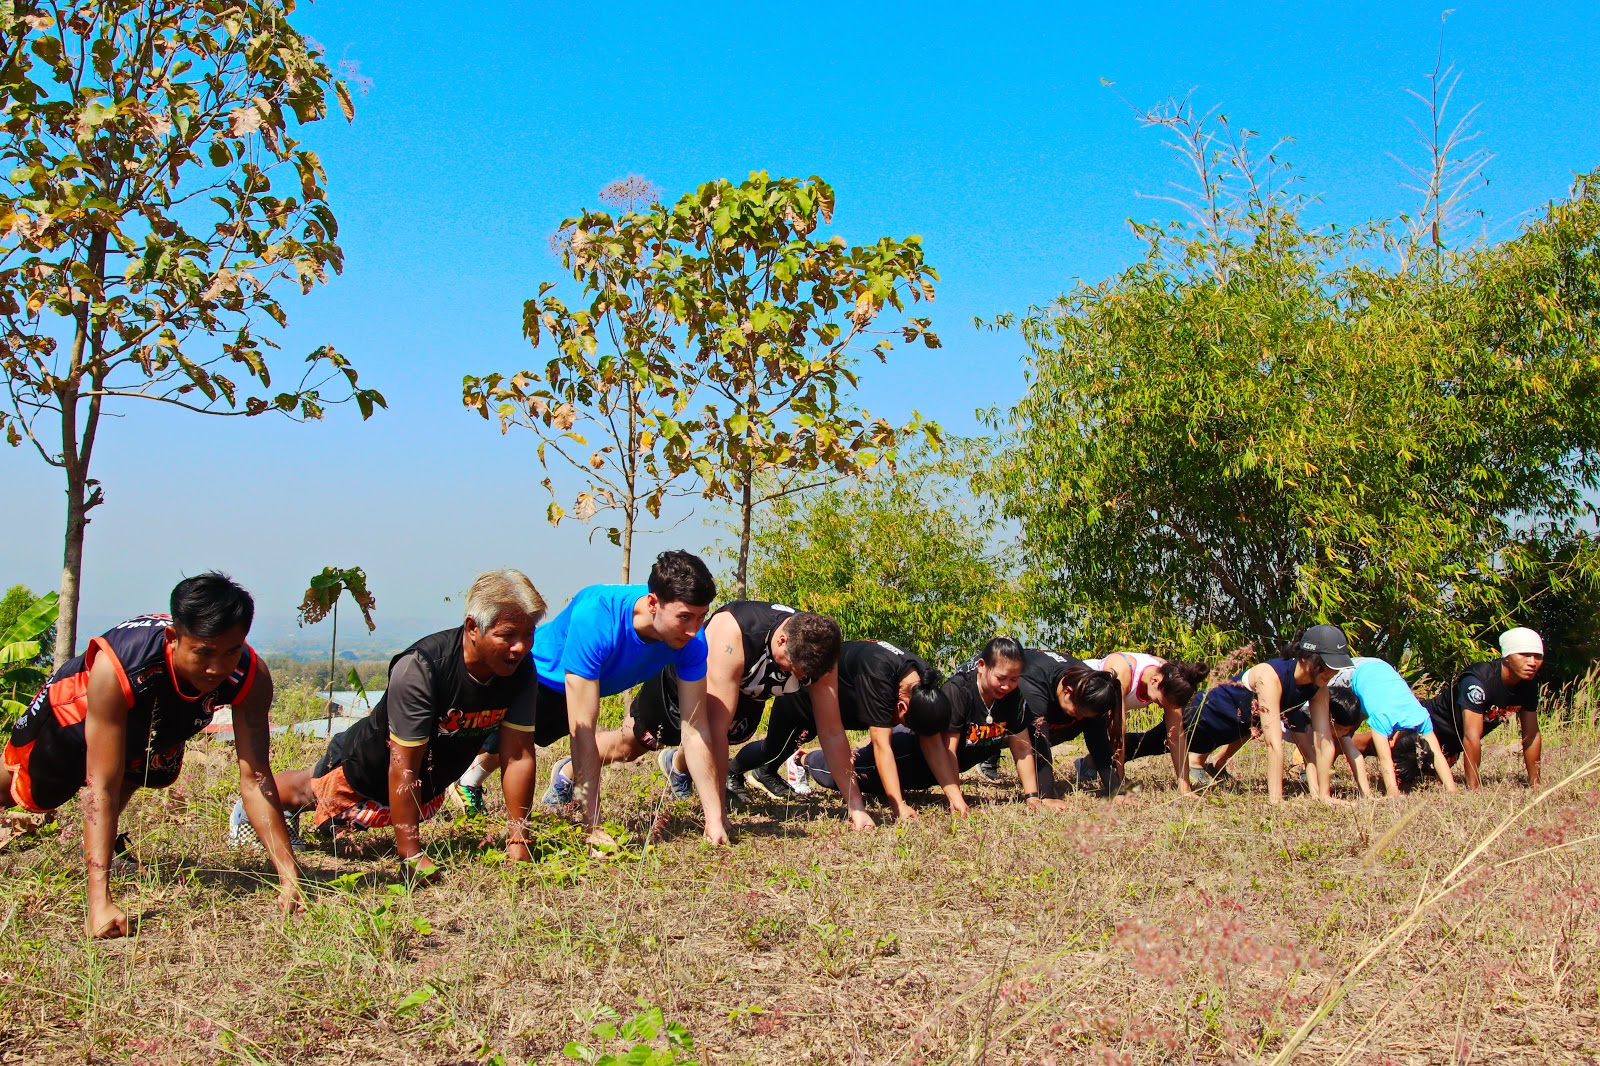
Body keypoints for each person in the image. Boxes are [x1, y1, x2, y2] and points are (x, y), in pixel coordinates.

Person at [1, 573, 301, 939]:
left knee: (143, 768)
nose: (217, 668)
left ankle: (99, 848)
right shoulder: (122, 666)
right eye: (203, 652)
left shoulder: (249, 674)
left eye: (230, 651)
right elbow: (100, 787)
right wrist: (100, 905)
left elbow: (255, 777)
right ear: (174, 639)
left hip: (150, 711)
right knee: (27, 790)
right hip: (74, 712)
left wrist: (290, 878)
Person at [267, 570, 545, 880]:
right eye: (507, 634)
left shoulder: (519, 668)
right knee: (311, 792)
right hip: (366, 768)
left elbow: (518, 755)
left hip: (427, 786)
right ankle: (253, 808)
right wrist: (410, 855)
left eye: (528, 633)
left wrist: (519, 837)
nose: (521, 646)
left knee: (363, 824)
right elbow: (403, 766)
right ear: (472, 628)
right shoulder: (421, 667)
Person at [455, 552, 714, 844]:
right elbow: (584, 732)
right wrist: (594, 827)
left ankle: (468, 780)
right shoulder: (597, 616)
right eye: (685, 618)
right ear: (654, 604)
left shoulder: (690, 636)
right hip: (538, 673)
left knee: (525, 738)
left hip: (579, 684)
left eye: (701, 616)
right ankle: (460, 783)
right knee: (509, 742)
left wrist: (715, 820)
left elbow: (695, 729)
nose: (694, 628)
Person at [612, 601, 869, 839]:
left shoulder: (820, 652)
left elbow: (832, 732)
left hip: (743, 692)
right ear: (781, 641)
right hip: (680, 686)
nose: (800, 680)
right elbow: (714, 730)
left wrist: (855, 805)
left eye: (805, 678)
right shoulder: (734, 632)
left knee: (734, 733)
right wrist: (717, 815)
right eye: (792, 670)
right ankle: (572, 770)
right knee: (632, 746)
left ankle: (676, 764)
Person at [805, 637, 1068, 814]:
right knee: (851, 773)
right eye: (1002, 677)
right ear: (981, 666)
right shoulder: (960, 692)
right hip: (909, 751)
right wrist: (948, 799)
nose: (1007, 685)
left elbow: (1021, 747)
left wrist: (1032, 795)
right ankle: (804, 760)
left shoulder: (1013, 697)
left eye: (1014, 679)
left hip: (933, 769)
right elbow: (946, 750)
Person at [728, 639, 951, 821]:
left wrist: (955, 798)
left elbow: (931, 741)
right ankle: (733, 771)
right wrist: (899, 806)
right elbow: (882, 745)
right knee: (773, 748)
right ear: (902, 707)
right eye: (904, 722)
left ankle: (765, 773)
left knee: (787, 747)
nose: (897, 724)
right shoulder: (880, 675)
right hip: (802, 699)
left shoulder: (922, 679)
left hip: (832, 703)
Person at [1124, 626, 1351, 803]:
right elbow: (1273, 744)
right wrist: (1276, 801)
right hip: (1200, 717)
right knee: (1145, 745)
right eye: (1326, 665)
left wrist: (1325, 796)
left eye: (1336, 667)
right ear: (1305, 658)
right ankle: (1096, 759)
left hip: (1231, 730)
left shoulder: (1318, 688)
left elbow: (1324, 742)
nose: (1331, 673)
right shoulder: (1270, 676)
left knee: (1148, 745)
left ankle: (1208, 764)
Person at [1419, 627, 1545, 790]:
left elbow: (1531, 735)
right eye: (1524, 655)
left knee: (1418, 775)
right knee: (1385, 746)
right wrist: (1474, 789)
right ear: (1506, 657)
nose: (1532, 662)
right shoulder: (1478, 681)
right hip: (1421, 727)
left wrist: (1535, 784)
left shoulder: (1527, 685)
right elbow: (1472, 736)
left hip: (1449, 746)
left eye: (1538, 656)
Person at [1320, 658, 1457, 797]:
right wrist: (1393, 794)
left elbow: (1437, 754)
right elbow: (1385, 759)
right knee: (1330, 726)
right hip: (1354, 671)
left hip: (1380, 672)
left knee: (1344, 732)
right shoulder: (1383, 718)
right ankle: (1309, 769)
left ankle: (1327, 769)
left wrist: (1452, 791)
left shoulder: (1420, 716)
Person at [1076, 652, 1209, 794]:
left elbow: (1176, 736)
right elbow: (1117, 731)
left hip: (1098, 708)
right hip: (1078, 694)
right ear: (1155, 681)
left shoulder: (1173, 679)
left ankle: (1087, 765)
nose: (1160, 706)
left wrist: (1185, 789)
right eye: (1161, 702)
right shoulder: (1122, 672)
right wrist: (1119, 786)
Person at [1015, 650, 1124, 799]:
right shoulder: (1034, 685)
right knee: (1032, 729)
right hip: (995, 715)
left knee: (1092, 724)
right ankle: (992, 754)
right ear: (1068, 691)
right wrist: (1047, 796)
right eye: (1078, 712)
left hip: (1048, 702)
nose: (1079, 718)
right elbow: (1039, 744)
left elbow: (1099, 741)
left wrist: (1116, 791)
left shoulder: (1090, 686)